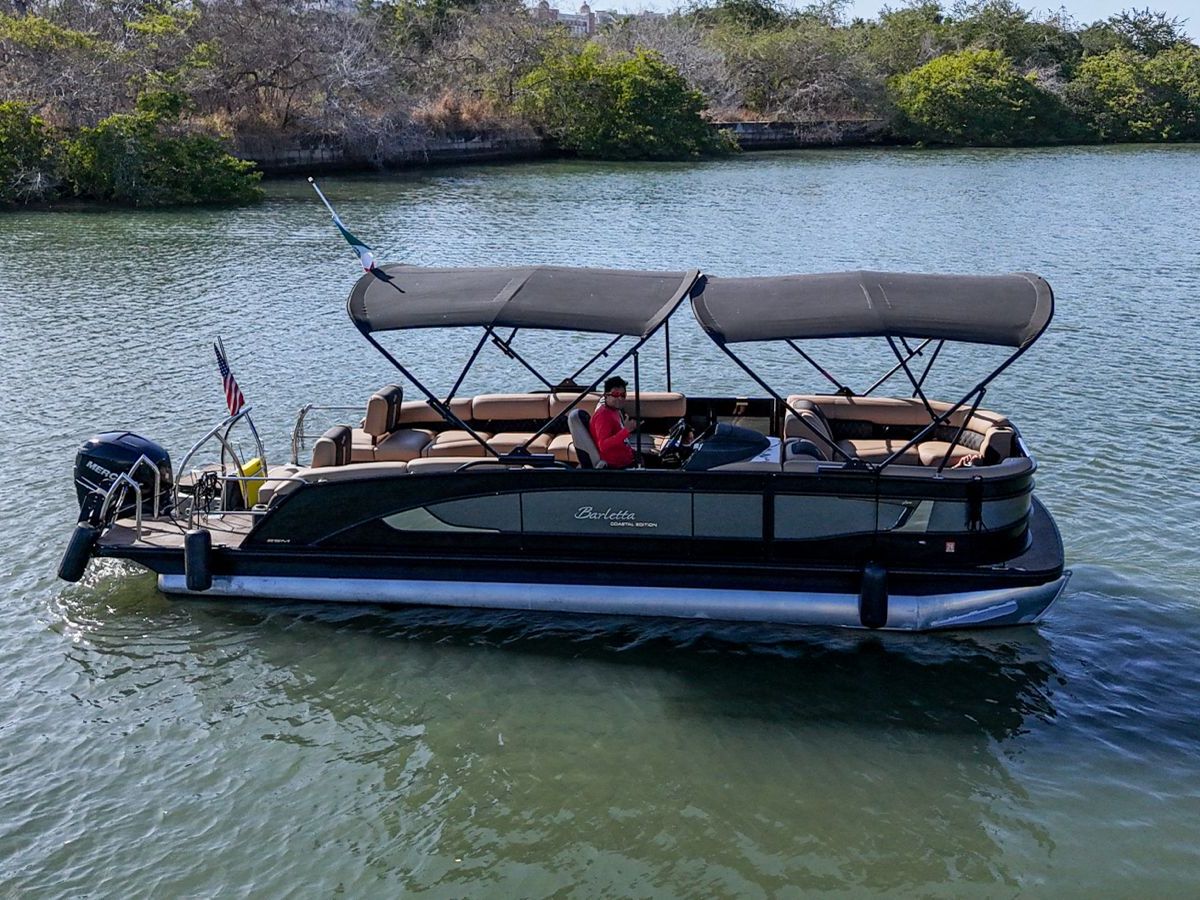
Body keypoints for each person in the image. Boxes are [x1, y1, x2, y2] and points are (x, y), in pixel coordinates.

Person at [589, 376, 637, 469]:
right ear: (606, 395)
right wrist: (626, 431)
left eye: (623, 395)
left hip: (626, 458)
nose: (620, 398)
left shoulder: (614, 411)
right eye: (615, 394)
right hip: (616, 466)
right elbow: (603, 446)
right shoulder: (603, 415)